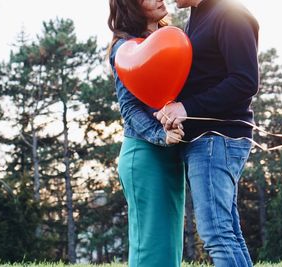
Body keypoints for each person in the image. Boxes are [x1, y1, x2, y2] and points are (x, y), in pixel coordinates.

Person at [155, 0, 260, 266]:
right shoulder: (197, 16)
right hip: (207, 141)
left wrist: (186, 107)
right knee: (228, 233)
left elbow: (245, 81)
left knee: (217, 234)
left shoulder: (229, 13)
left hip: (218, 138)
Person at [108, 0, 186, 266]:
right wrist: (160, 134)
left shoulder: (171, 38)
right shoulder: (124, 48)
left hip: (171, 156)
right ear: (131, 6)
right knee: (150, 250)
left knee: (168, 250)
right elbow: (129, 108)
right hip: (144, 154)